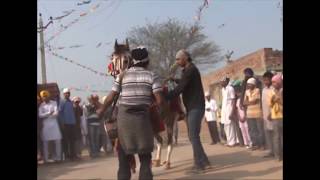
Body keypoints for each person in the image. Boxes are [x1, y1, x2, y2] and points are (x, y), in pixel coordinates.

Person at [97, 46, 164, 180]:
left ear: (132, 60)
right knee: (145, 158)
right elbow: (160, 100)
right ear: (147, 61)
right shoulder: (152, 75)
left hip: (124, 121)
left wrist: (101, 110)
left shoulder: (122, 75)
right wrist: (149, 105)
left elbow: (111, 97)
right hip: (142, 121)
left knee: (123, 160)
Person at [165, 49, 211, 173]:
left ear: (185, 58)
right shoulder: (189, 70)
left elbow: (180, 88)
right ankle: (205, 161)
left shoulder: (190, 70)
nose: (177, 62)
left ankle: (199, 165)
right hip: (193, 107)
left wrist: (164, 97)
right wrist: (174, 79)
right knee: (194, 136)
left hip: (195, 107)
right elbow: (184, 82)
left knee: (193, 136)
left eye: (178, 59)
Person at [38, 90, 62, 163]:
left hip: (54, 125)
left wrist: (46, 115)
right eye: (43, 97)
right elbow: (40, 115)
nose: (44, 98)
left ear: (48, 96)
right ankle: (46, 159)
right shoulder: (41, 105)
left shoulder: (54, 103)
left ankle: (58, 158)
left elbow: (56, 113)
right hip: (46, 126)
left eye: (46, 96)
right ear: (42, 98)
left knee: (57, 141)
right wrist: (49, 113)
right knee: (46, 142)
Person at [244, 78, 264, 150]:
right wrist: (250, 102)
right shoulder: (246, 92)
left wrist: (248, 102)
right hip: (249, 114)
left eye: (250, 84)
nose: (248, 85)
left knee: (259, 130)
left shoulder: (258, 90)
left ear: (254, 84)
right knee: (252, 130)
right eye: (248, 84)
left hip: (257, 113)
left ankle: (261, 145)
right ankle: (255, 144)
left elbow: (255, 101)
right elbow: (244, 102)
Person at [59, 88, 78, 161]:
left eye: (68, 93)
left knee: (72, 140)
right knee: (66, 141)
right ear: (63, 94)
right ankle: (67, 156)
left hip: (72, 124)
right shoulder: (62, 102)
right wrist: (62, 122)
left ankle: (73, 155)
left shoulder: (71, 102)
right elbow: (60, 113)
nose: (67, 94)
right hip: (65, 124)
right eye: (66, 93)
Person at [233, 80, 252, 149]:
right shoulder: (237, 100)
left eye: (239, 93)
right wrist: (239, 117)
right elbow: (237, 110)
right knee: (243, 131)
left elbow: (246, 109)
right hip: (240, 118)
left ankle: (250, 143)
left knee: (247, 130)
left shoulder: (244, 99)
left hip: (245, 117)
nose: (238, 94)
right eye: (237, 93)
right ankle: (246, 143)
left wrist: (244, 117)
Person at [220, 77, 239, 147]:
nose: (221, 83)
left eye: (222, 81)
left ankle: (232, 142)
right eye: (220, 82)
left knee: (230, 125)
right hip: (224, 110)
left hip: (229, 109)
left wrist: (232, 111)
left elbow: (233, 100)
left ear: (225, 82)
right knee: (226, 125)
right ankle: (231, 140)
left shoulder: (230, 88)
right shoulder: (222, 89)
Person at [269, 73, 283, 161]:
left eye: (275, 82)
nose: (273, 84)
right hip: (276, 116)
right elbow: (270, 104)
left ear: (279, 82)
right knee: (276, 137)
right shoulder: (271, 92)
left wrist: (279, 98)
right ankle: (278, 155)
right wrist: (274, 100)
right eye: (272, 82)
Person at [261, 71, 275, 157]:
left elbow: (275, 103)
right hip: (265, 115)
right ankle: (271, 151)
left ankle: (278, 151)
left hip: (273, 115)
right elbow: (263, 103)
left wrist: (271, 113)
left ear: (271, 80)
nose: (265, 82)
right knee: (268, 134)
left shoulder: (274, 89)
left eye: (267, 80)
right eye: (264, 80)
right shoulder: (264, 89)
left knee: (276, 134)